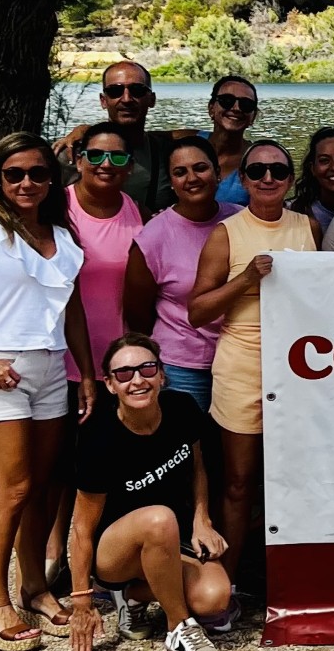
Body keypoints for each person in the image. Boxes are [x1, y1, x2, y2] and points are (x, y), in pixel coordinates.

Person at [0, 132, 92, 651]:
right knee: (15, 488)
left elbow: (71, 310)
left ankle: (33, 586)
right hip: (2, 369)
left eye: (37, 173)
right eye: (14, 174)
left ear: (53, 180)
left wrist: (88, 373)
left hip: (52, 368)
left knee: (46, 486)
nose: (27, 182)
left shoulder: (62, 234)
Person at [190, 137, 317, 591]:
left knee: (298, 473)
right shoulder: (227, 233)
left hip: (300, 364)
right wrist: (245, 278)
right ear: (242, 180)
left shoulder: (308, 228)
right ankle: (227, 581)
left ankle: (291, 577)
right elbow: (198, 310)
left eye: (278, 171)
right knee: (240, 482)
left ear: (291, 180)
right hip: (242, 361)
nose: (268, 179)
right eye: (258, 171)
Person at [66, 335, 231, 651]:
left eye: (147, 369)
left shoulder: (181, 407)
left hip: (171, 539)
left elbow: (198, 466)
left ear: (161, 375)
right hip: (116, 552)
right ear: (111, 385)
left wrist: (202, 519)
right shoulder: (99, 438)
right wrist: (82, 601)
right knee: (159, 518)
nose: (137, 380)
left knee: (215, 598)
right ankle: (179, 628)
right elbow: (82, 529)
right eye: (124, 374)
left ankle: (132, 599)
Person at [124, 133, 229, 409]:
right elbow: (137, 312)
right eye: (180, 172)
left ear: (218, 172)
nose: (192, 178)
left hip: (239, 358)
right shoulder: (153, 237)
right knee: (188, 445)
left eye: (201, 168)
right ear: (171, 182)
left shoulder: (240, 219)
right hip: (181, 365)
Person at [65, 123, 145, 383]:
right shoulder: (54, 210)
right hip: (64, 362)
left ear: (130, 166)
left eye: (118, 157)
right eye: (96, 155)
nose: (107, 164)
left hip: (123, 363)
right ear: (79, 161)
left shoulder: (139, 214)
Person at [55, 61, 177, 215]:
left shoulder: (167, 153)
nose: (126, 99)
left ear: (151, 99)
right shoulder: (71, 154)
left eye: (137, 90)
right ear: (103, 101)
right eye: (115, 91)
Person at [206, 75, 260, 208]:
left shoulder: (258, 161)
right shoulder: (186, 141)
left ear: (253, 116)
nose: (236, 108)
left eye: (246, 104)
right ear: (211, 108)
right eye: (227, 100)